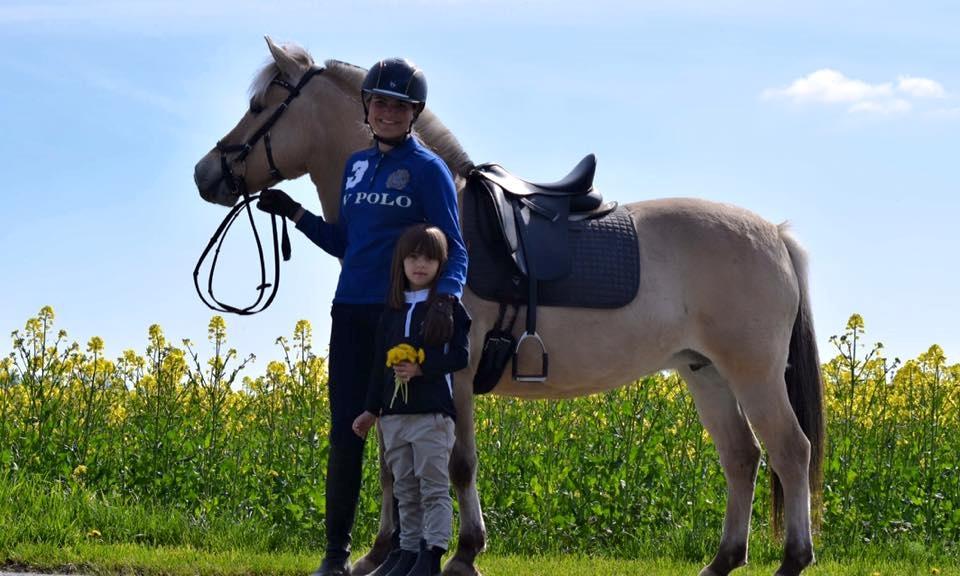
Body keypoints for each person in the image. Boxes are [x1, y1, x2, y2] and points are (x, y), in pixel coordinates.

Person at [255, 58, 468, 576]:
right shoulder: (354, 166)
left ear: (414, 112)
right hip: (349, 311)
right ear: (366, 108)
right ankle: (335, 556)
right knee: (347, 432)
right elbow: (347, 243)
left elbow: (454, 247)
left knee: (405, 439)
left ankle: (412, 552)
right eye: (380, 102)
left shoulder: (428, 169)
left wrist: (444, 300)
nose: (388, 112)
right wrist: (297, 215)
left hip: (397, 317)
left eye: (399, 105)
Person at [352, 224, 470, 576]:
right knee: (404, 490)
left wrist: (423, 368)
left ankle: (431, 554)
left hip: (432, 415)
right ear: (400, 263)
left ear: (441, 264)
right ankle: (407, 552)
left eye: (430, 259)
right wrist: (372, 410)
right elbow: (378, 367)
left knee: (433, 487)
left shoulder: (449, 308)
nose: (421, 265)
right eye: (413, 257)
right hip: (394, 418)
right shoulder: (391, 311)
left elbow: (460, 358)